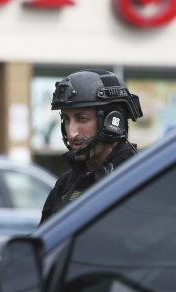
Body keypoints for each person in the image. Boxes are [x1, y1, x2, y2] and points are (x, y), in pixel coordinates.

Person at [40, 69, 143, 224]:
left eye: (82, 118)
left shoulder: (141, 176)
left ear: (112, 122)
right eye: (66, 119)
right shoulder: (67, 182)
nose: (72, 132)